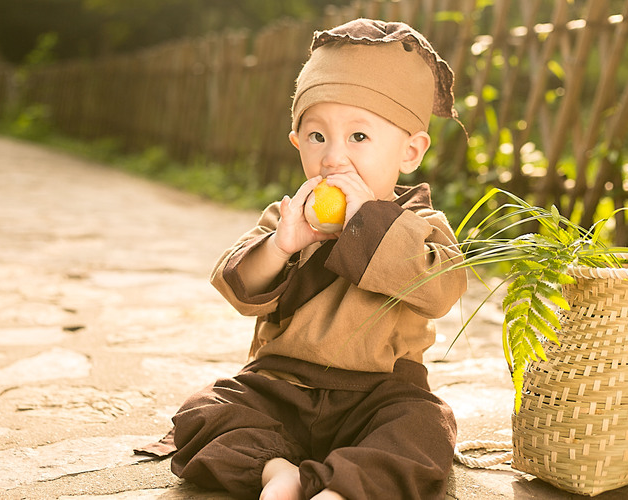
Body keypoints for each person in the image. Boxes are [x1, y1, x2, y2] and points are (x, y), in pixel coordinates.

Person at [169, 18, 467, 500]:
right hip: (281, 386)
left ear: (410, 150)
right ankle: (276, 469)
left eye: (359, 138)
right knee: (206, 409)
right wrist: (283, 245)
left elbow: (440, 291)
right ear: (296, 143)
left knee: (425, 428)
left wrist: (367, 223)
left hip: (378, 395)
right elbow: (236, 285)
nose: (334, 158)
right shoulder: (288, 217)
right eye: (317, 137)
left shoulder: (422, 226)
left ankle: (341, 485)